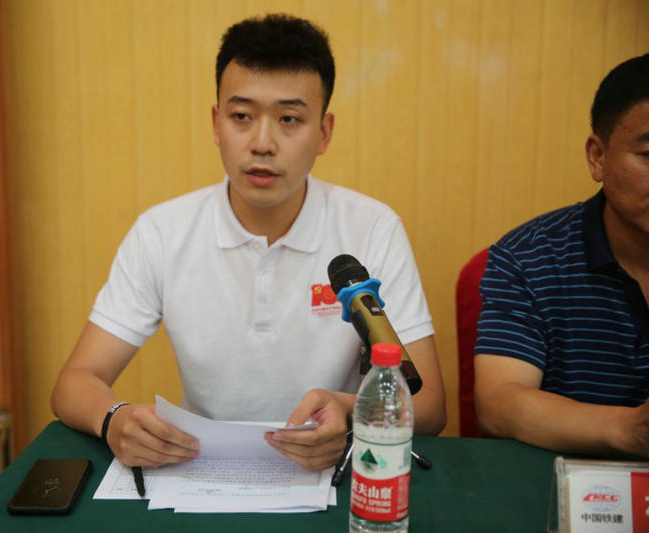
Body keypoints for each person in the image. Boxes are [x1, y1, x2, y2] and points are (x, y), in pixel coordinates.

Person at [51, 14, 446, 472]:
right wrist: (113, 419)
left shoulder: (372, 228)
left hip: (329, 474)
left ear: (324, 133)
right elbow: (76, 381)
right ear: (216, 124)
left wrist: (350, 413)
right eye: (242, 116)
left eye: (289, 119)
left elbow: (430, 405)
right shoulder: (162, 231)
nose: (262, 143)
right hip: (201, 470)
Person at [474, 53, 649, 457]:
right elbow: (499, 405)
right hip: (567, 487)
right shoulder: (528, 259)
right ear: (598, 157)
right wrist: (630, 430)